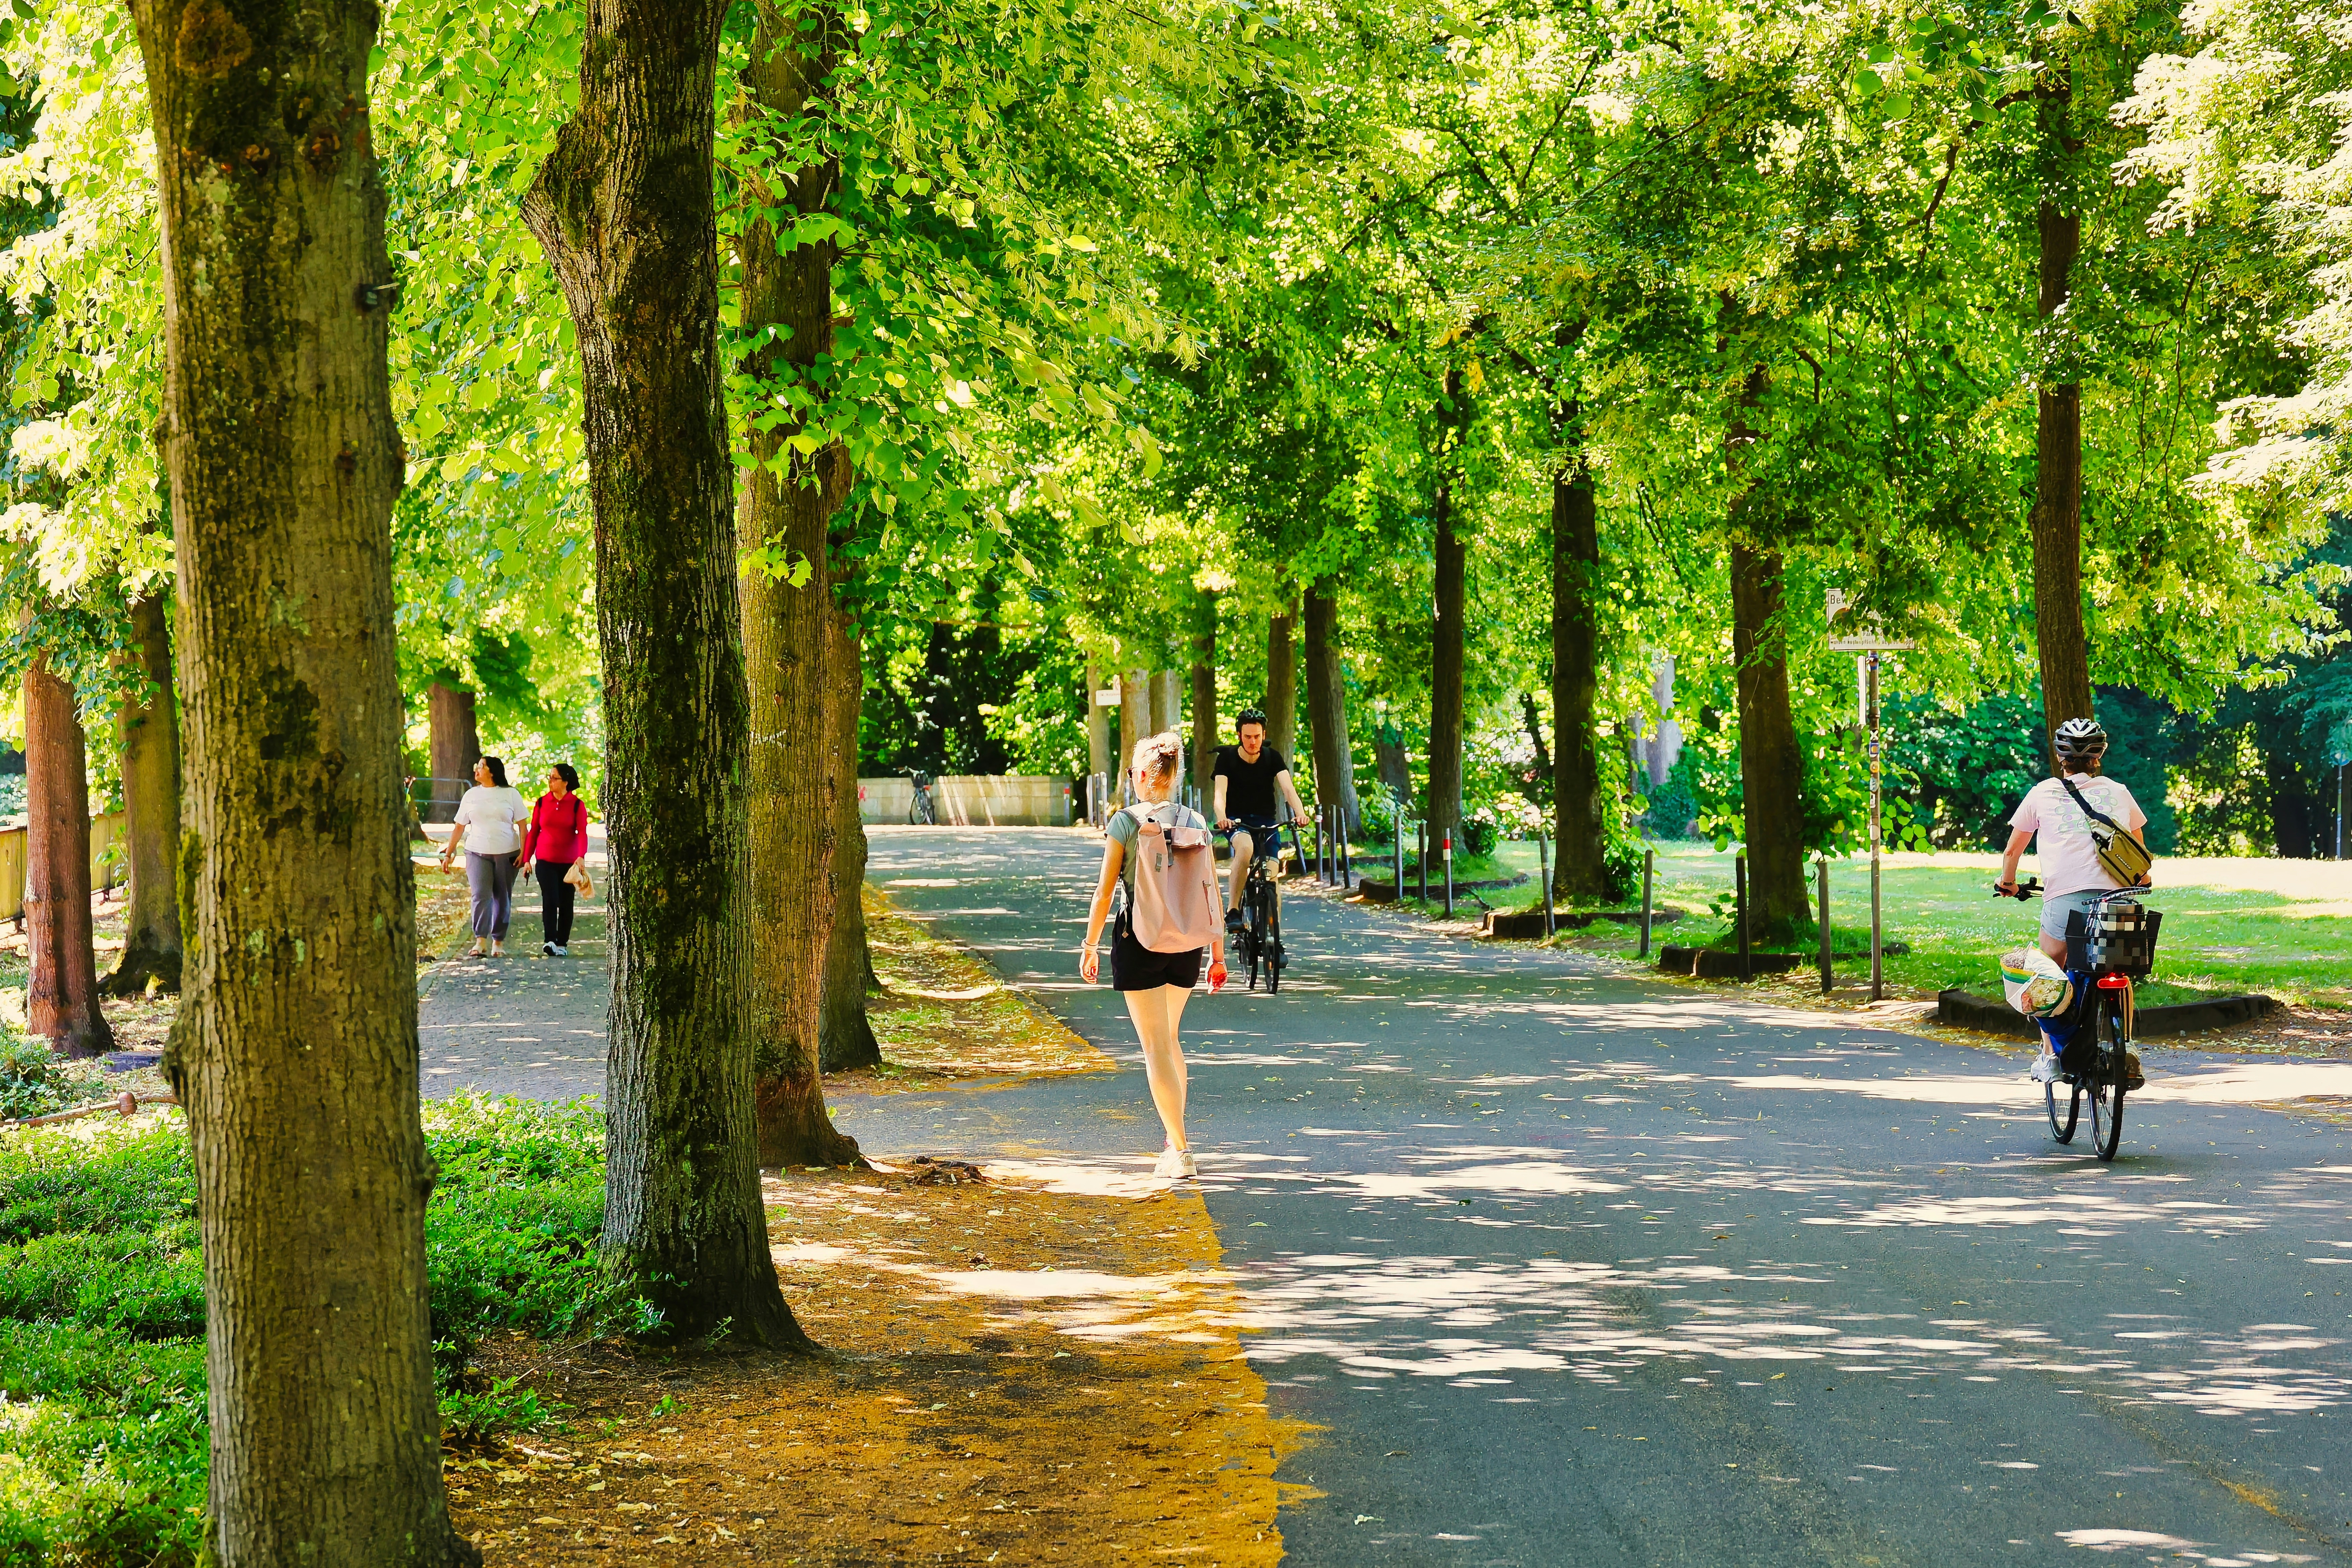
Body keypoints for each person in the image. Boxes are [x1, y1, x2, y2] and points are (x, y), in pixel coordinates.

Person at [1080, 732, 1228, 1179]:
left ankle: (1180, 1150)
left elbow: (1105, 891)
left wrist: (1090, 945)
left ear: (1143, 775)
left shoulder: (1126, 822)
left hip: (1140, 941)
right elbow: (1211, 890)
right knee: (1170, 1039)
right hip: (1187, 943)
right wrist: (1217, 954)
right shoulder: (1196, 821)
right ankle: (1172, 1139)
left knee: (1156, 1045)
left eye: (1132, 771)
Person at [1997, 717, 2151, 1083]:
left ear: (2060, 757)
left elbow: (2012, 851)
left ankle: (2050, 1058)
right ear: (2099, 757)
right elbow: (2140, 853)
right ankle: (2127, 1046)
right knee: (2117, 969)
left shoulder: (2042, 793)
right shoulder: (2119, 791)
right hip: (2117, 903)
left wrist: (2008, 883)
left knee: (2048, 971)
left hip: (2064, 902)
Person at [1212, 708, 1311, 925]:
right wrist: (1222, 817)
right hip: (1237, 822)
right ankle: (1233, 910)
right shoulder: (1226, 759)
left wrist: (1301, 814)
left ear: (1264, 735)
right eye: (1248, 737)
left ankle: (1273, 932)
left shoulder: (1272, 757)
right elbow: (1220, 795)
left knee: (1272, 873)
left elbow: (1289, 790)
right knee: (1246, 848)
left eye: (1257, 736)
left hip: (1267, 823)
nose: (1253, 742)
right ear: (1240, 736)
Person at [438, 755, 530, 958]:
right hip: (477, 852)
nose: (476, 770)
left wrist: (525, 855)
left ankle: (498, 941)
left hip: (507, 853)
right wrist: (449, 852)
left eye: (481, 766)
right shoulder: (471, 795)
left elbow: (523, 827)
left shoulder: (511, 794)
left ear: (493, 772)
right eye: (477, 766)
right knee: (480, 895)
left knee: (502, 897)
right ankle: (480, 941)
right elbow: (460, 826)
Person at [517, 763, 590, 957]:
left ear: (566, 782)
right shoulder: (542, 803)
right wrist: (527, 859)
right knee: (550, 899)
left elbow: (582, 833)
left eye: (555, 778)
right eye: (549, 777)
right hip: (545, 861)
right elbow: (534, 832)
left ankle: (562, 943)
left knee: (566, 902)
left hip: (568, 863)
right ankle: (550, 941)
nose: (550, 781)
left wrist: (581, 856)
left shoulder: (577, 805)